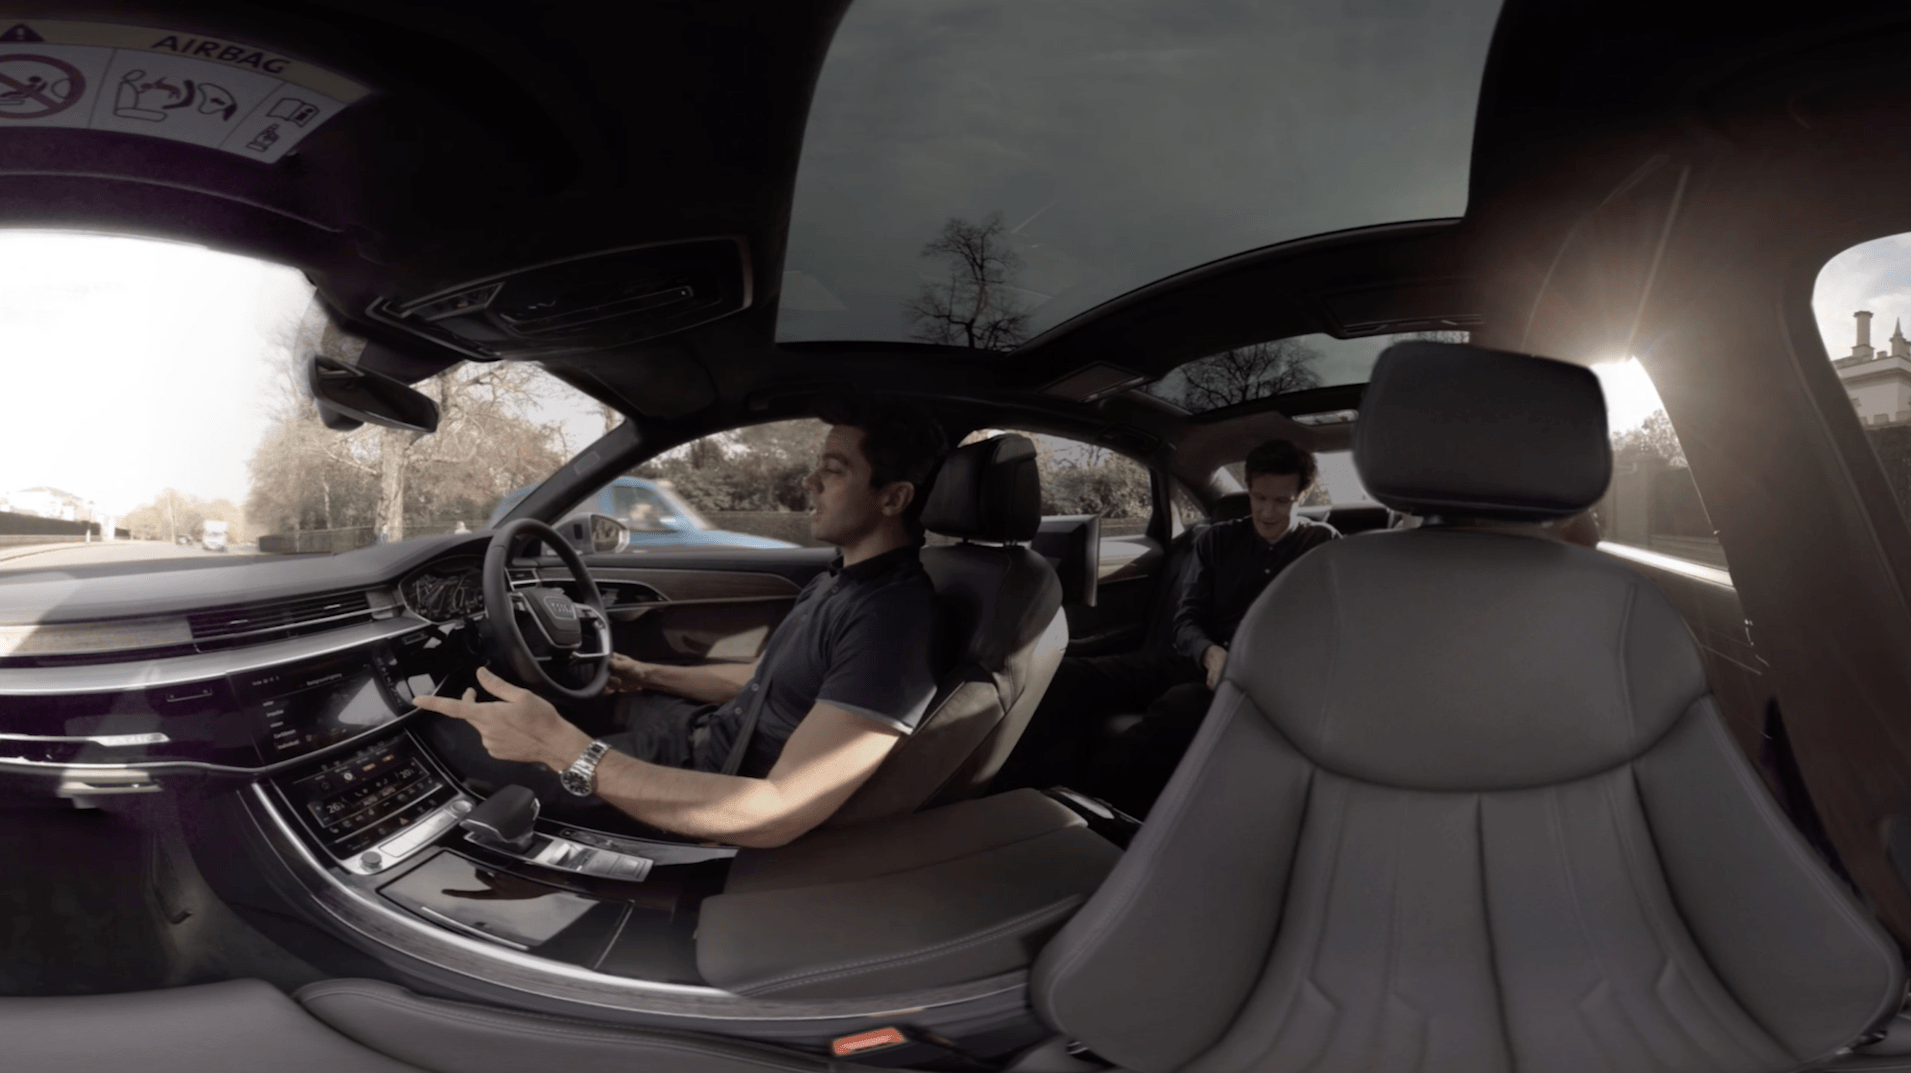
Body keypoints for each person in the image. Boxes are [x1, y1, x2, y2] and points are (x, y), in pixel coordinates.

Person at [415, 397, 948, 849]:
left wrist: (563, 750)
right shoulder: (841, 580)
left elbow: (779, 808)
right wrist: (645, 674)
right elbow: (760, 680)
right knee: (579, 698)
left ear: (893, 497)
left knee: (458, 749)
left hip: (712, 785)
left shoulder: (891, 620)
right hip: (709, 734)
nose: (809, 482)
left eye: (833, 470)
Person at [1004, 439, 1339, 816]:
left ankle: (1090, 808)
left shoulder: (1322, 546)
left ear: (1303, 495)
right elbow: (1187, 619)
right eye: (1258, 497)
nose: (1267, 512)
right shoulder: (1217, 539)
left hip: (1253, 682)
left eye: (1282, 501)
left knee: (1180, 706)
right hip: (1190, 658)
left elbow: (1327, 634)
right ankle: (1018, 793)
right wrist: (1210, 653)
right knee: (1066, 675)